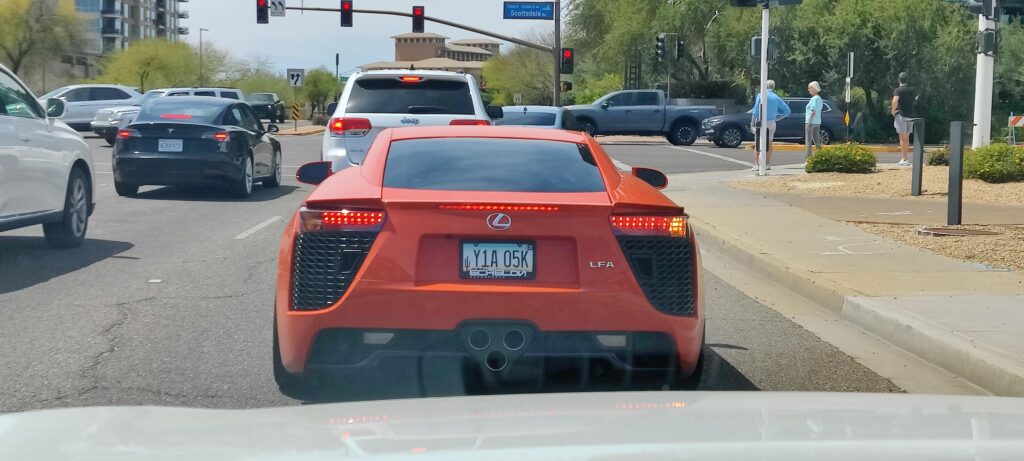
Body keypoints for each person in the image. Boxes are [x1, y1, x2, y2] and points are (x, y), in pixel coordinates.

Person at [751, 80, 792, 171]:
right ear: (773, 87)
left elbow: (756, 110)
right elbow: (787, 110)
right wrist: (778, 118)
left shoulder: (760, 95)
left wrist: (753, 122)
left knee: (758, 142)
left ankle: (756, 164)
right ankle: (767, 163)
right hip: (771, 122)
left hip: (761, 121)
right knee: (769, 143)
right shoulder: (776, 97)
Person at [892, 72, 918, 166]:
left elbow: (895, 101)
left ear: (899, 80)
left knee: (902, 138)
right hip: (911, 116)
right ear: (907, 80)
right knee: (906, 138)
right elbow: (915, 99)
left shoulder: (898, 90)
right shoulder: (912, 90)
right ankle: (906, 158)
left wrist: (893, 110)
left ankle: (904, 159)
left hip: (901, 115)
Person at [803, 81, 824, 167]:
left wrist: (809, 122)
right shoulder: (820, 99)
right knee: (817, 141)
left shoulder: (814, 99)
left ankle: (808, 160)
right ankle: (821, 158)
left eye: (809, 88)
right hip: (817, 122)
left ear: (814, 88)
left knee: (808, 141)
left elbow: (813, 111)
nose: (808, 90)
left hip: (811, 122)